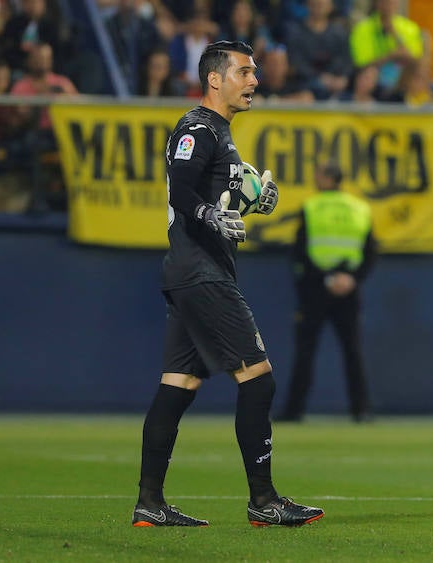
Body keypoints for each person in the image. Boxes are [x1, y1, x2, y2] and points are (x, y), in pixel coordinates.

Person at [132, 40, 324, 528]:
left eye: (255, 72)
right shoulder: (198, 126)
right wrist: (211, 215)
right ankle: (263, 500)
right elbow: (182, 186)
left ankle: (149, 504)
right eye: (245, 71)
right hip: (202, 273)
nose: (254, 80)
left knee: (179, 384)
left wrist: (248, 200)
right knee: (259, 380)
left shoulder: (220, 132)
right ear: (215, 78)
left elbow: (212, 193)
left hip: (193, 270)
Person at [278, 160, 376, 423]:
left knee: (305, 351)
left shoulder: (312, 207)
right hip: (348, 289)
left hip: (316, 290)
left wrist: (325, 279)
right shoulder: (360, 208)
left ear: (326, 179)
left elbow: (300, 251)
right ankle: (362, 411)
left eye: (318, 175)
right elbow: (370, 252)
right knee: (353, 351)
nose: (315, 179)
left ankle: (293, 411)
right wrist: (352, 279)